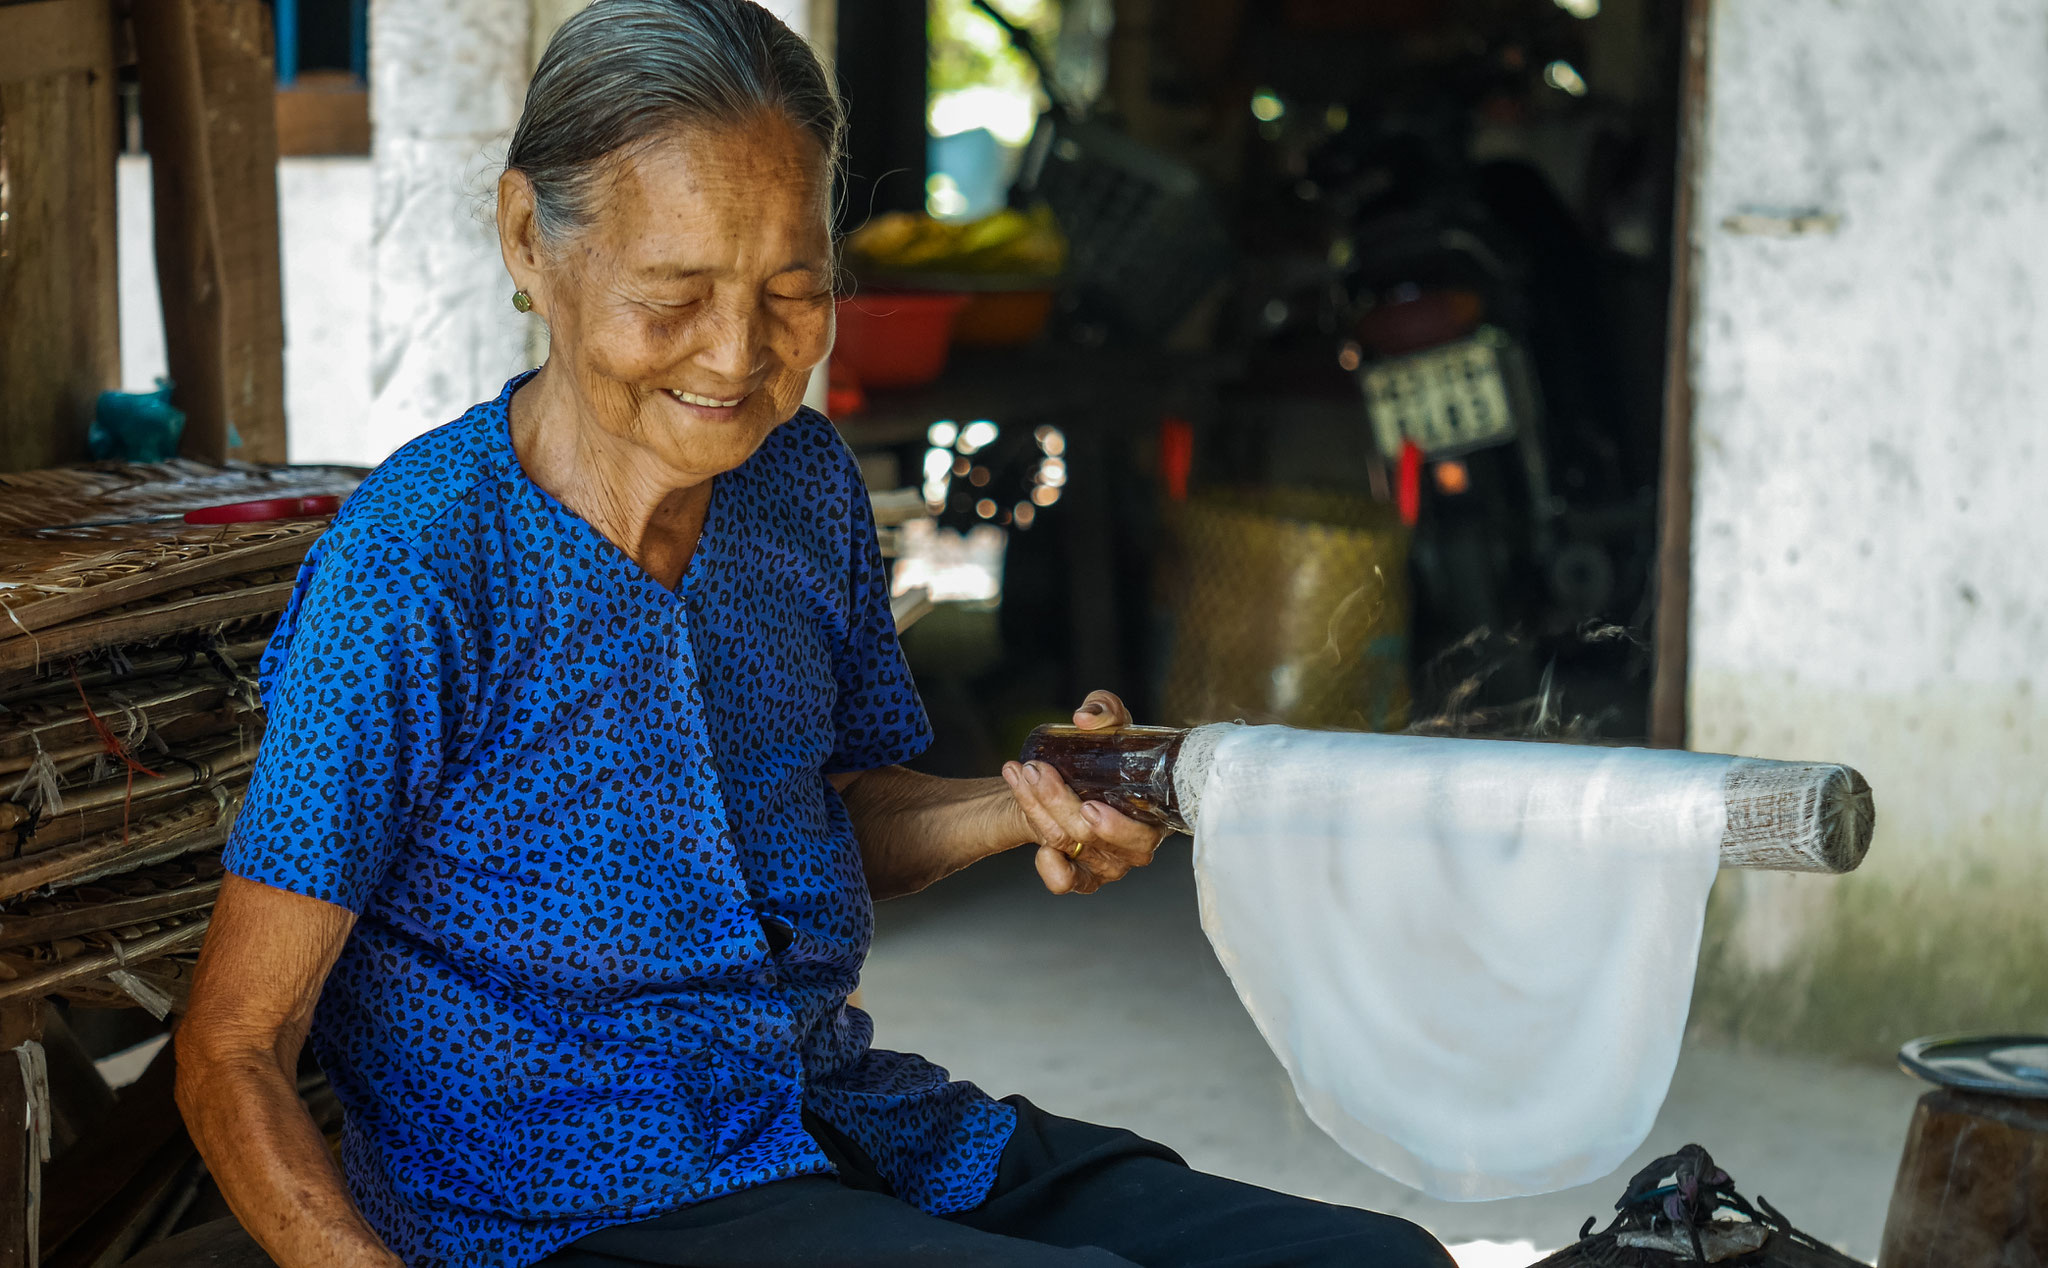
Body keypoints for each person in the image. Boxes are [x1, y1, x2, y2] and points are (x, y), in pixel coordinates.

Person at [175, 3, 1456, 1266]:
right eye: (672, 294)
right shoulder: (415, 567)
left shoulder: (796, 485)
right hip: (575, 1197)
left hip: (838, 1118)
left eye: (792, 292)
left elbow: (828, 817)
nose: (736, 356)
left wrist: (1023, 804)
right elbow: (232, 1047)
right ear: (528, 238)